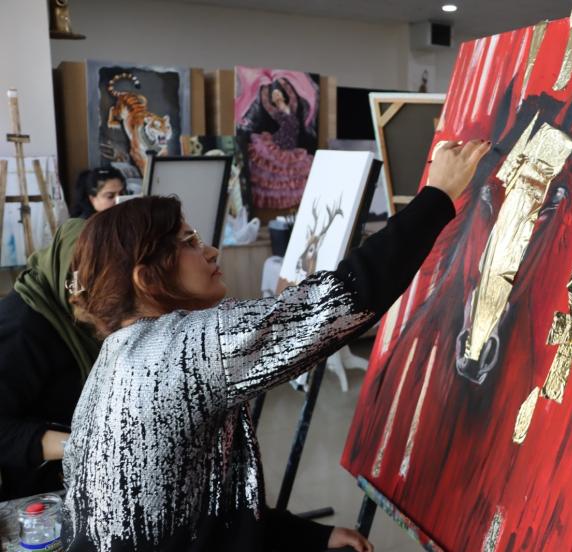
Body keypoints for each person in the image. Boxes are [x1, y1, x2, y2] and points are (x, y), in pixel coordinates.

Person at [61, 139, 491, 552]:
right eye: (190, 242)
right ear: (146, 279)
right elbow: (340, 302)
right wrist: (437, 196)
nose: (211, 251)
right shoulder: (182, 347)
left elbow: (199, 509)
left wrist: (307, 537)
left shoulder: (116, 355)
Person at [0, 219, 101, 500]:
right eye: (78, 284)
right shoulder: (21, 329)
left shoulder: (83, 318)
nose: (83, 299)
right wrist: (82, 445)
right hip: (36, 493)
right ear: (62, 269)